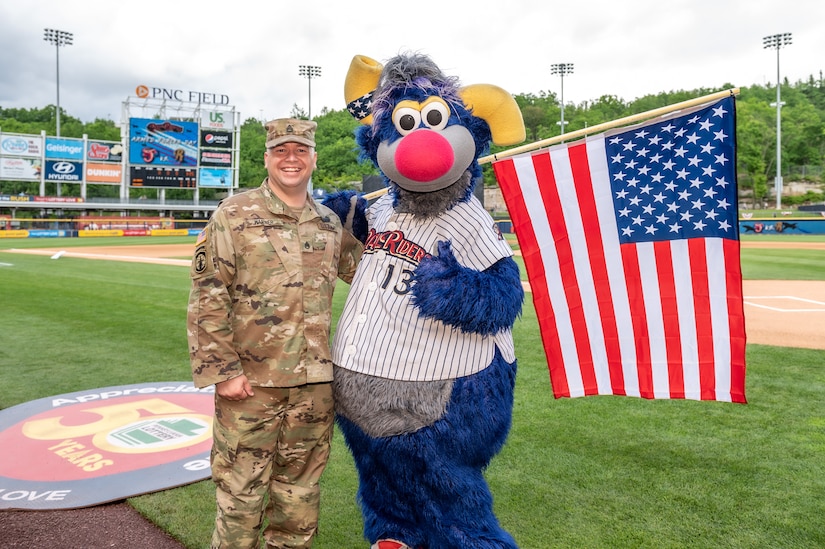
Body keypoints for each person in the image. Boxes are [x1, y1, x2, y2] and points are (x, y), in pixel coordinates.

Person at [187, 118, 363, 549]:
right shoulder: (234, 214)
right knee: (241, 494)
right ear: (267, 158)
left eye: (300, 150)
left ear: (313, 160)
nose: (291, 158)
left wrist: (391, 223)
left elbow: (367, 276)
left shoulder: (328, 223)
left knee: (299, 495)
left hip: (315, 386)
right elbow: (208, 295)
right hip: (251, 385)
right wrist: (223, 371)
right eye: (281, 151)